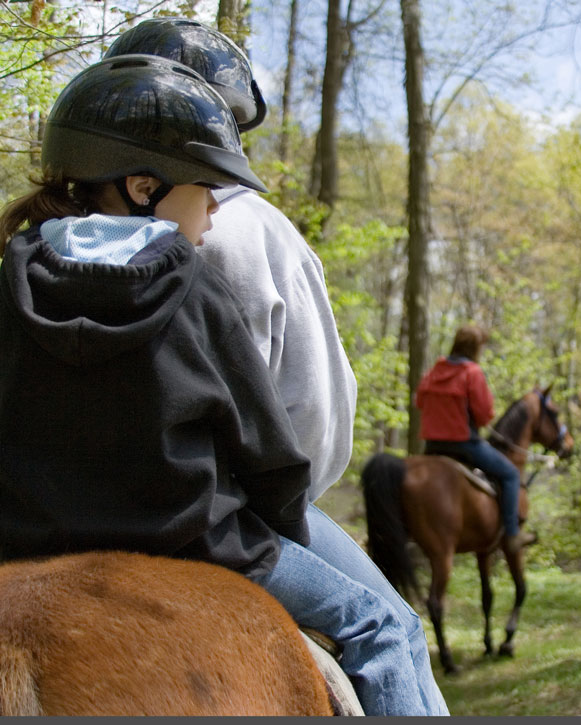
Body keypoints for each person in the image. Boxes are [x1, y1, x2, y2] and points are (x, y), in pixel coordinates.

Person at [0, 55, 435, 716]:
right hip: (199, 544)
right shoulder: (193, 285)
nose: (211, 211)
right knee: (383, 625)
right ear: (143, 185)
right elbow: (269, 451)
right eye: (205, 188)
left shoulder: (9, 277)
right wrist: (279, 517)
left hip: (22, 541)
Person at [416, 324, 536, 553]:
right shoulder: (472, 373)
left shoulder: (433, 371)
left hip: (431, 447)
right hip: (464, 444)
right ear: (475, 348)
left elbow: (420, 403)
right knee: (510, 474)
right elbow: (484, 416)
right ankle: (512, 535)